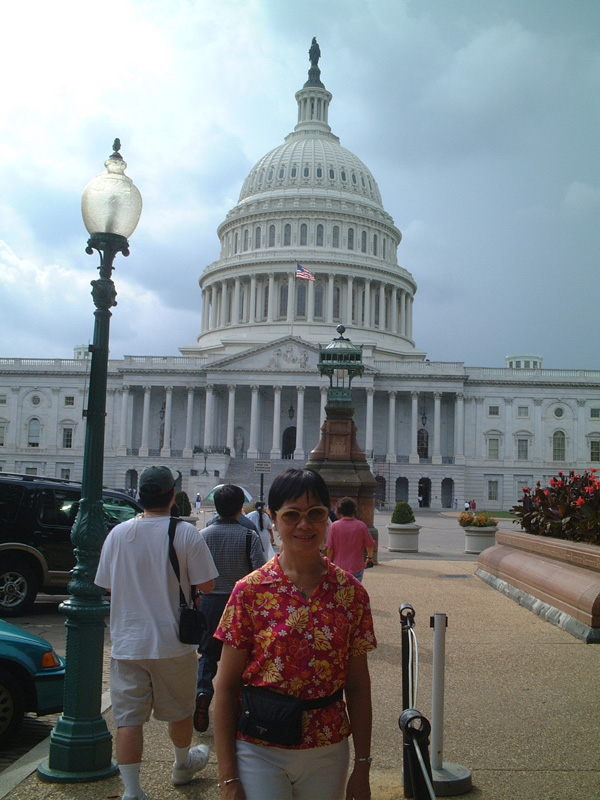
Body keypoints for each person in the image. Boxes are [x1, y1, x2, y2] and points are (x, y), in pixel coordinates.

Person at [213, 468, 377, 800]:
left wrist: (362, 766)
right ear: (273, 520)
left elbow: (358, 686)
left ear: (327, 518)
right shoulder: (250, 591)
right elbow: (226, 688)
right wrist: (228, 778)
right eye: (291, 515)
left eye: (315, 513)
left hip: (327, 747)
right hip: (260, 746)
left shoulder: (351, 593)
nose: (304, 525)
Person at [95, 466, 218, 800]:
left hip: (127, 642)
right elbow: (207, 585)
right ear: (172, 495)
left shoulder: (118, 533)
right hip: (172, 640)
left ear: (139, 495)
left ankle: (132, 791)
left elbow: (107, 585)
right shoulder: (185, 533)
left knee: (128, 720)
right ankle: (181, 765)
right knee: (180, 710)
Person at [195, 484, 266, 734]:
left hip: (210, 601)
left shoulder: (203, 535)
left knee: (207, 654)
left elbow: (196, 572)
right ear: (240, 508)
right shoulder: (249, 536)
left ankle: (203, 691)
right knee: (242, 656)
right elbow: (259, 572)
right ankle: (238, 706)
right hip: (240, 603)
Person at [326, 497, 375, 582]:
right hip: (356, 566)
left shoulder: (334, 526)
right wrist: (369, 557)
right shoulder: (361, 526)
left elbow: (330, 549)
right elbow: (370, 545)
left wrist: (328, 564)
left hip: (339, 566)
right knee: (355, 589)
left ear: (339, 511)